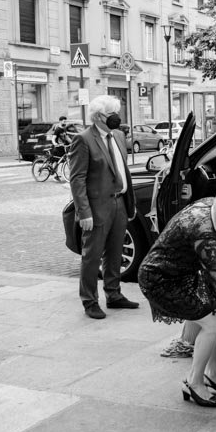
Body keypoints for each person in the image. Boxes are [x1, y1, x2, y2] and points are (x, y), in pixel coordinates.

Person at [138, 179, 216, 408]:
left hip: (179, 274)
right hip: (161, 280)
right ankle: (194, 382)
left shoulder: (212, 207)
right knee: (215, 324)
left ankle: (212, 375)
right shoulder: (202, 230)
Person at [67, 95, 141, 320]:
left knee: (115, 252)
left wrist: (130, 202)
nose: (117, 118)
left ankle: (114, 294)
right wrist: (84, 213)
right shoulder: (83, 140)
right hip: (97, 208)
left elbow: (122, 170)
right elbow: (77, 179)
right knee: (92, 256)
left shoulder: (118, 135)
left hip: (119, 202)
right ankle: (89, 301)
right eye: (112, 114)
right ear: (99, 116)